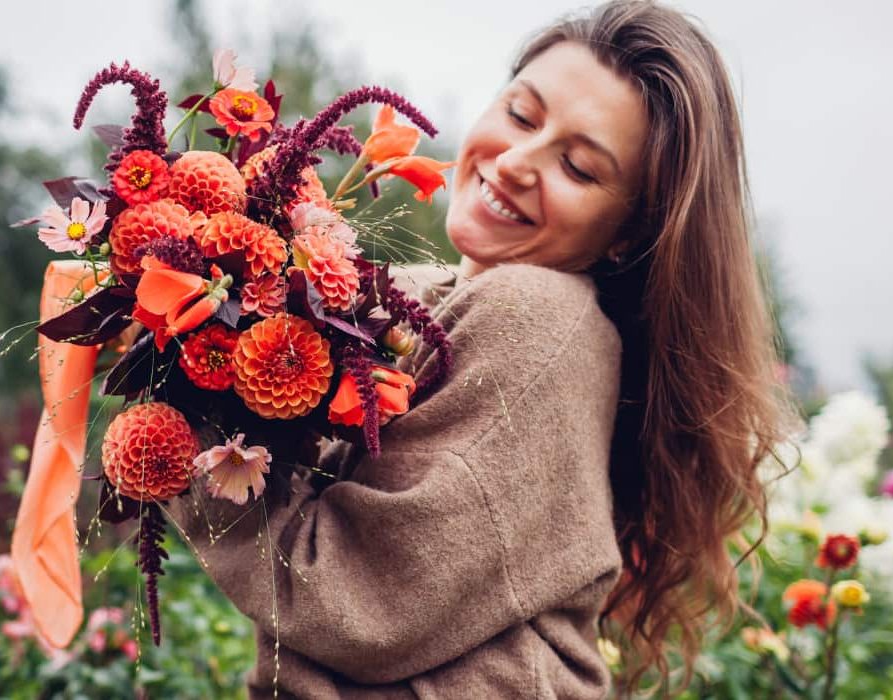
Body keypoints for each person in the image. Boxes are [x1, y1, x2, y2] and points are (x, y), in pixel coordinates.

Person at [168, 1, 795, 697]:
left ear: (625, 232)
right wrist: (200, 279)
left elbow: (358, 600)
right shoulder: (420, 300)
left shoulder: (539, 317)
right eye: (522, 116)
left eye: (580, 168)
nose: (518, 161)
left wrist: (178, 420)